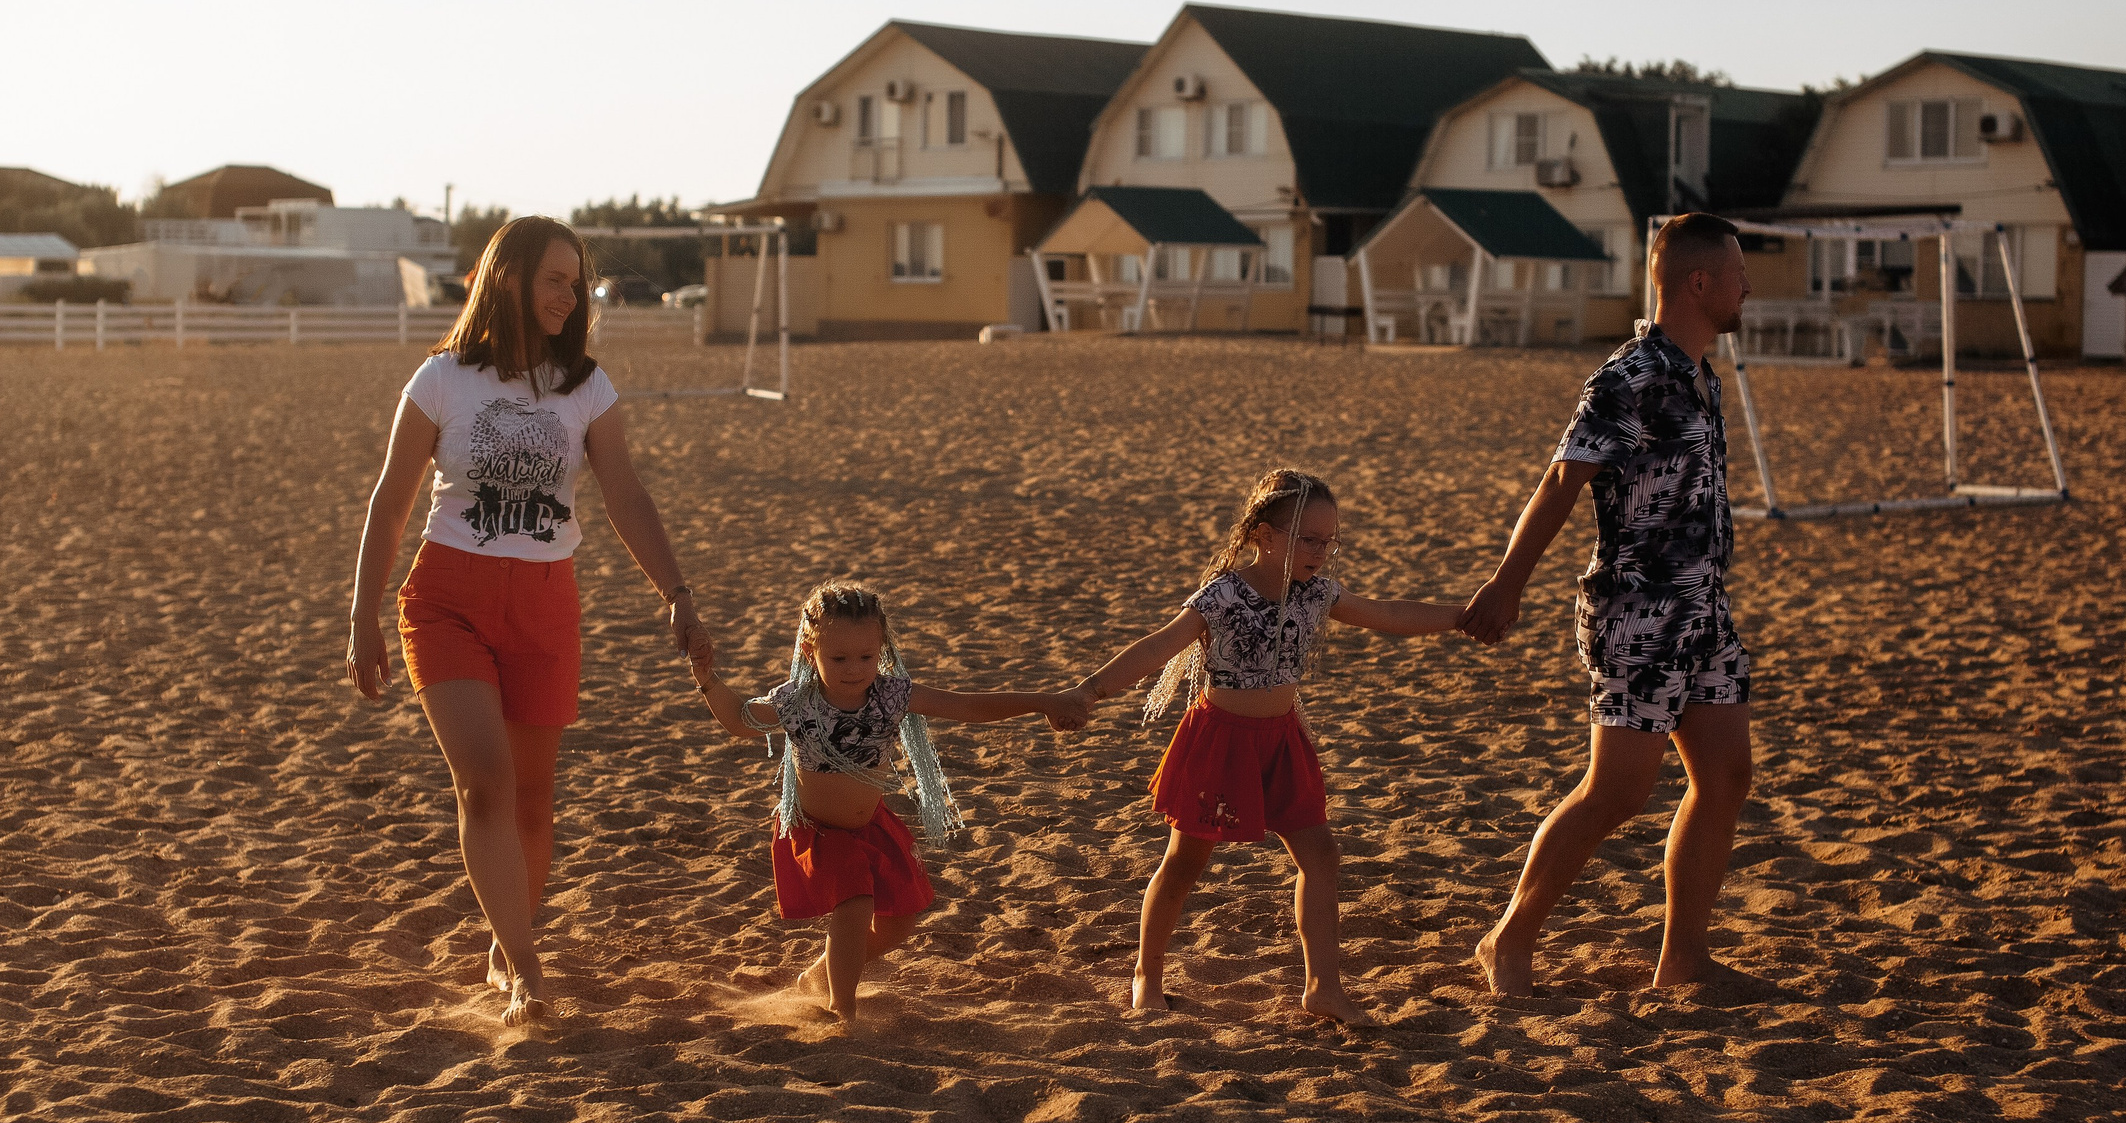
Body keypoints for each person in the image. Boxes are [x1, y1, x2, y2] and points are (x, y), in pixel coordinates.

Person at [346, 215, 711, 1025]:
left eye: (575, 281)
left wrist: (677, 591)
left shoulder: (586, 385)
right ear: (506, 278)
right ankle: (524, 965)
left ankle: (505, 932)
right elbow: (391, 500)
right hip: (447, 599)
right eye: (554, 278)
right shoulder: (442, 378)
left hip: (546, 603)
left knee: (535, 803)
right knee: (486, 784)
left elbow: (625, 495)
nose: (569, 294)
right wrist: (362, 615)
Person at [1459, 212, 1755, 996]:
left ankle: (1682, 960)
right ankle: (1508, 937)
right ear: (1699, 283)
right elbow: (1563, 480)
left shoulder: (1700, 375)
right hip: (1641, 610)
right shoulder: (1632, 377)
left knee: (1726, 774)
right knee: (1619, 790)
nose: (1745, 286)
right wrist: (1507, 581)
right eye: (1736, 273)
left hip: (1703, 607)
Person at [1073, 470, 1462, 1026]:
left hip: (1281, 742)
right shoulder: (1225, 593)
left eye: (1328, 541)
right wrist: (1090, 690)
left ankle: (1323, 988)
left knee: (1321, 854)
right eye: (1308, 539)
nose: (1320, 552)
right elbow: (1158, 645)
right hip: (1221, 743)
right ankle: (1147, 974)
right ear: (1264, 534)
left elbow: (1390, 615)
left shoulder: (1318, 594)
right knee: (1185, 862)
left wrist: (1463, 618)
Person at [691, 581, 1088, 1024]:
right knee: (856, 904)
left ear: (881, 648)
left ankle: (820, 976)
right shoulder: (797, 702)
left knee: (900, 922)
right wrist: (708, 679)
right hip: (816, 830)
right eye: (838, 658)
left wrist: (1043, 701)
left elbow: (968, 706)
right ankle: (842, 1009)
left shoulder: (890, 695)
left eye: (866, 656)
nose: (854, 669)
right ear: (809, 651)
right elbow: (740, 720)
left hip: (872, 825)